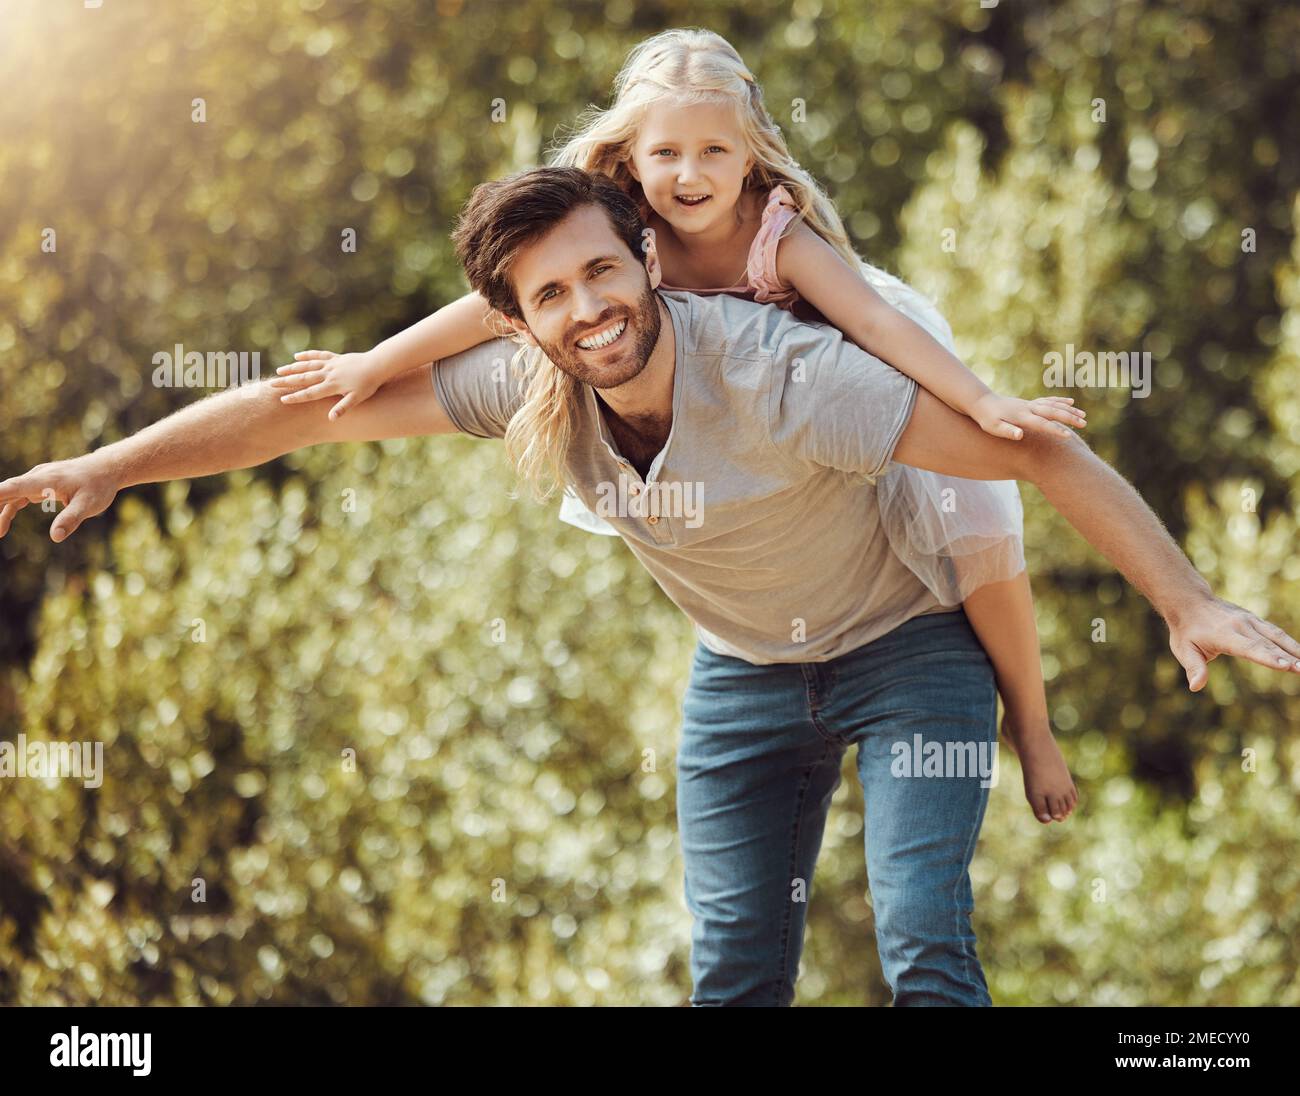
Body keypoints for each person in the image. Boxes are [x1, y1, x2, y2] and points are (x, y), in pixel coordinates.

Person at [3, 166, 1298, 1007]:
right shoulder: (522, 390)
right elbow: (291, 417)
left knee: (919, 936)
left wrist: (1184, 597)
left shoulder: (790, 380)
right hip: (743, 675)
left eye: (603, 272)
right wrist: (115, 464)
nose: (588, 310)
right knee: (733, 974)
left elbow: (1036, 448)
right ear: (517, 322)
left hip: (910, 652)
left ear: (646, 258)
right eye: (550, 296)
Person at [269, 29, 1082, 823]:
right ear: (631, 155)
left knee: (975, 524)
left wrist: (979, 402)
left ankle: (1035, 728)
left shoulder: (777, 233)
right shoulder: (621, 226)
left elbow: (870, 321)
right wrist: (375, 362)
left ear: (750, 155)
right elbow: (495, 307)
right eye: (666, 155)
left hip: (836, 377)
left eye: (713, 153)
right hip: (714, 402)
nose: (688, 175)